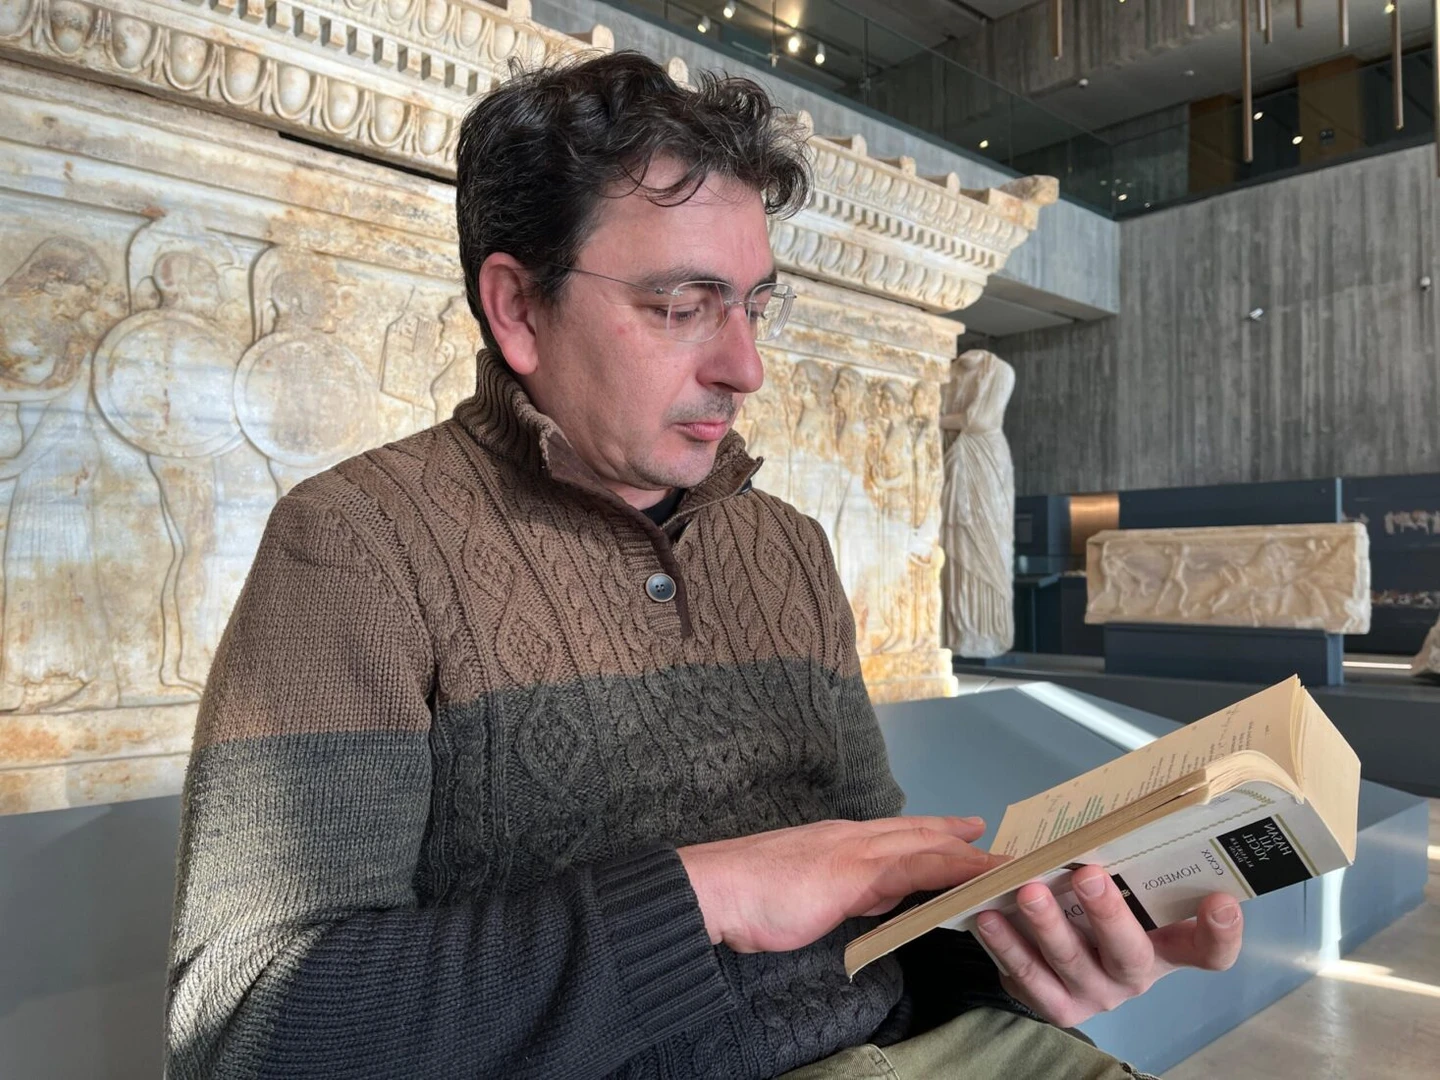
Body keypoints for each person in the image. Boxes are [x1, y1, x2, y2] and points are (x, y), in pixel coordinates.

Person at [164, 52, 1243, 1079]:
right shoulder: (355, 544)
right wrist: (707, 893)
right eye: (680, 307)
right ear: (517, 307)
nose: (746, 367)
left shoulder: (787, 548)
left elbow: (869, 939)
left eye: (754, 303)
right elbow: (256, 1034)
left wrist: (1025, 961)